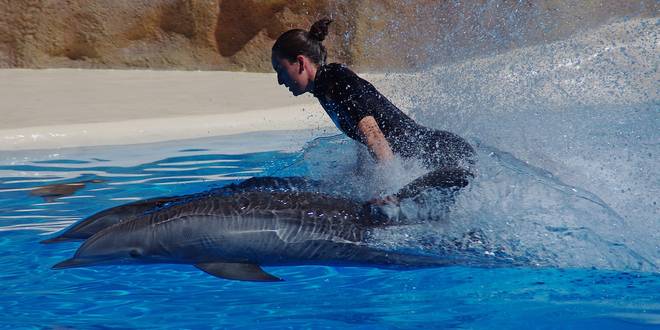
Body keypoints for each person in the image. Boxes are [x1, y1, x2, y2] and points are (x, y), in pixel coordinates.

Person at [271, 18, 474, 204]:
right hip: (434, 160)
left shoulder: (336, 82)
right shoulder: (325, 87)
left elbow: (374, 136)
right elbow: (363, 139)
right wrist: (359, 178)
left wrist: (388, 192)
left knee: (394, 204)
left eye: (280, 70)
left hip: (446, 159)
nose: (280, 81)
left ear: (300, 62)